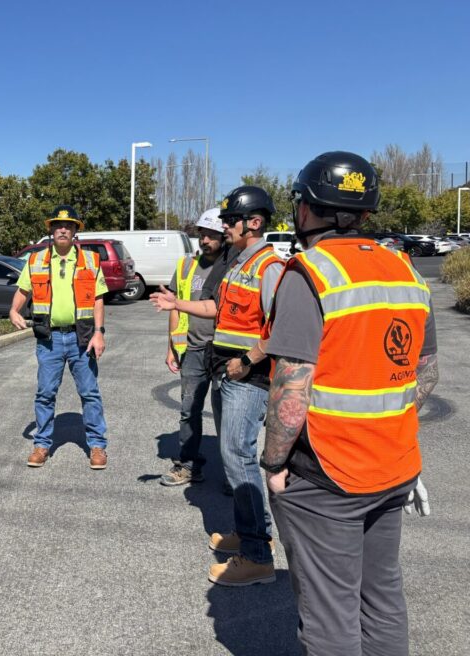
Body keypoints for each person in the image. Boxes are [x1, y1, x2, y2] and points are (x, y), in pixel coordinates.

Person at [261, 151, 438, 655]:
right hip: (395, 464)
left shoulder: (310, 273)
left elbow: (292, 384)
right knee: (382, 598)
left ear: (308, 208)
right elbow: (426, 373)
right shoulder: (404, 269)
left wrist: (274, 463)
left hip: (328, 474)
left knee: (329, 616)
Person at [151, 185, 284, 586]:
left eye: (230, 220)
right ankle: (249, 533)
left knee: (239, 458)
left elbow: (283, 327)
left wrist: (247, 360)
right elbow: (216, 309)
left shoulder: (268, 267)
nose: (224, 226)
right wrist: (177, 305)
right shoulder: (240, 264)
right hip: (231, 371)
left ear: (253, 223)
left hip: (249, 377)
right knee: (233, 455)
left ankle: (258, 556)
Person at [9, 205, 109, 469]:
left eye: (68, 226)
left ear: (75, 231)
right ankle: (42, 445)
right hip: (49, 340)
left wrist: (99, 333)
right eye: (58, 225)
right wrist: (13, 310)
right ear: (51, 230)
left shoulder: (90, 260)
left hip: (82, 339)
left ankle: (97, 446)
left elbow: (98, 299)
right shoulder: (36, 260)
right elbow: (23, 290)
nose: (63, 230)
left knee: (89, 393)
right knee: (45, 393)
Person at [160, 208, 226, 487]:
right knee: (189, 410)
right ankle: (188, 465)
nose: (205, 240)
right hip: (193, 350)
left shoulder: (234, 267)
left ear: (225, 236)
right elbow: (174, 306)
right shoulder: (186, 266)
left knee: (227, 415)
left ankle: (233, 475)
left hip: (224, 351)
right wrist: (171, 347)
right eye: (203, 234)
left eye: (212, 235)